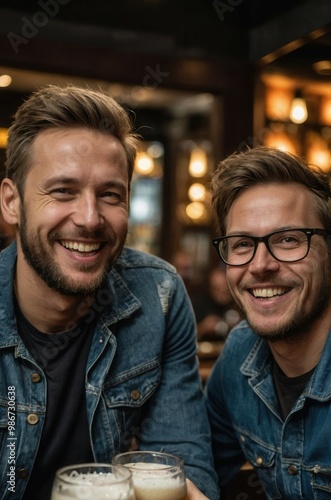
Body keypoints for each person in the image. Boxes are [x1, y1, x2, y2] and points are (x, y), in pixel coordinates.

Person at [0, 85, 219, 500]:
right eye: (63, 190)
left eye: (110, 195)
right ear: (12, 201)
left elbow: (185, 468)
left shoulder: (159, 293)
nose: (89, 218)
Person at [205, 146, 331, 499]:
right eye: (242, 244)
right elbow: (197, 468)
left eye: (288, 239)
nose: (261, 265)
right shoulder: (239, 354)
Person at [192, 265, 241, 340]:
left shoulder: (237, 303)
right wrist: (203, 328)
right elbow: (184, 339)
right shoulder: (199, 305)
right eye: (217, 288)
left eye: (225, 286)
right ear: (210, 288)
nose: (222, 290)